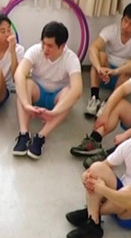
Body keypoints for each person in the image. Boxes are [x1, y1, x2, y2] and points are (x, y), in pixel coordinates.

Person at [12, 21, 82, 159]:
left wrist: (54, 113)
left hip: (57, 98)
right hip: (38, 93)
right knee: (25, 83)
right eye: (43, 43)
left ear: (62, 46)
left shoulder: (71, 58)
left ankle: (41, 136)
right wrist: (26, 104)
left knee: (70, 94)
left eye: (50, 46)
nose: (45, 49)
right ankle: (24, 134)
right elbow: (19, 74)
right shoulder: (35, 50)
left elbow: (77, 89)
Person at [85, 3, 131, 116]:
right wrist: (99, 68)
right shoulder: (111, 30)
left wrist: (116, 71)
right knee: (100, 56)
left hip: (122, 77)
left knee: (130, 66)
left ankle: (109, 102)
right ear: (122, 19)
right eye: (125, 21)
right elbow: (93, 48)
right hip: (104, 74)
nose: (126, 26)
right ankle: (94, 97)